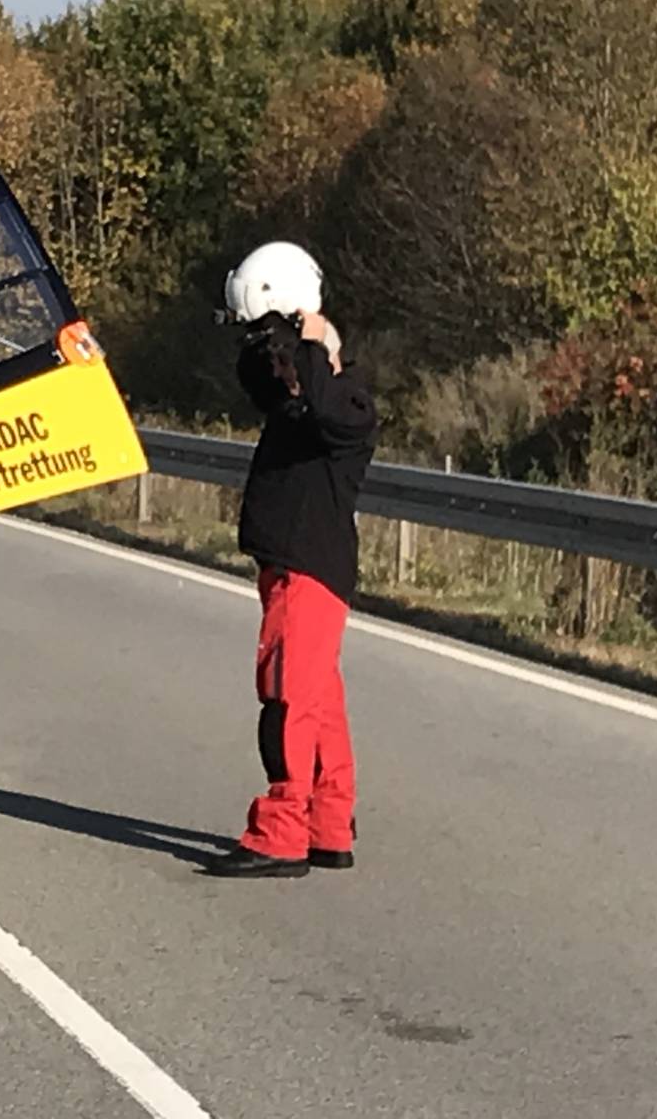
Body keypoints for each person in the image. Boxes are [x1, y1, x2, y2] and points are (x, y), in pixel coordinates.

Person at [206, 241, 378, 878]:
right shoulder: (301, 398)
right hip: (296, 566)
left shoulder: (347, 403)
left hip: (310, 571)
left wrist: (313, 343)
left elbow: (330, 411)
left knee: (286, 700)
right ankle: (329, 825)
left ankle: (280, 831)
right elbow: (263, 383)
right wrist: (280, 345)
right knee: (319, 704)